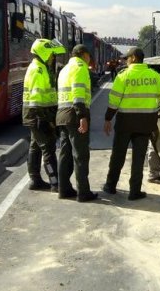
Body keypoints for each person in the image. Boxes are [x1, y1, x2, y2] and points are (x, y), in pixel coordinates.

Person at [102, 47, 160, 200]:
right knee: (138, 158)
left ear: (133, 58)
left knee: (118, 156)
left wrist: (108, 119)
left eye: (127, 58)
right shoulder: (153, 76)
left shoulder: (123, 76)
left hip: (125, 123)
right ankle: (135, 191)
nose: (126, 61)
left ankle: (110, 186)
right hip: (145, 123)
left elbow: (114, 101)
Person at [56, 44, 98, 202]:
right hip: (75, 115)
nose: (89, 60)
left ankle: (64, 189)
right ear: (84, 55)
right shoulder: (80, 67)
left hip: (62, 115)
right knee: (80, 155)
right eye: (89, 56)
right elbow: (78, 94)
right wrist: (82, 116)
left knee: (65, 154)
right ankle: (83, 192)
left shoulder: (65, 69)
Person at [23, 38, 67, 191]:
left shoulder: (41, 67)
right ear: (43, 53)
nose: (53, 57)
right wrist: (48, 120)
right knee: (48, 149)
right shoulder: (38, 70)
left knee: (35, 147)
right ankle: (55, 183)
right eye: (51, 54)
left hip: (37, 115)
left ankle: (35, 180)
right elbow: (36, 100)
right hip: (38, 115)